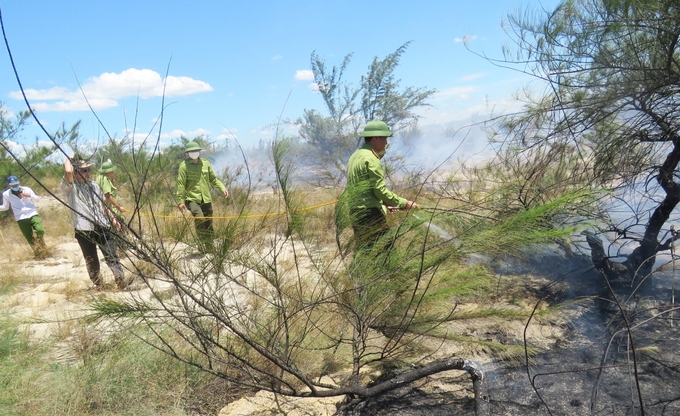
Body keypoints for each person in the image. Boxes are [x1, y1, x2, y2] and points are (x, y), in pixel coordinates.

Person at [345, 120, 418, 249]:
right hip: (370, 214)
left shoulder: (355, 156)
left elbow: (363, 188)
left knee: (365, 251)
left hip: (355, 213)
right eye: (384, 138)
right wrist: (404, 203)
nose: (386, 142)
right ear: (375, 138)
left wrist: (384, 204)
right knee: (385, 253)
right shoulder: (372, 159)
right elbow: (379, 190)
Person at [61, 157, 131, 290]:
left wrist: (113, 218)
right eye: (83, 170)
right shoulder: (70, 187)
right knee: (91, 259)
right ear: (76, 172)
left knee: (111, 255)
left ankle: (120, 280)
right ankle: (99, 284)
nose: (87, 173)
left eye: (88, 170)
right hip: (84, 229)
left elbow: (102, 205)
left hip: (102, 225)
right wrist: (69, 157)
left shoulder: (94, 185)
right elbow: (68, 172)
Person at [176, 141, 229, 253]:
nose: (194, 153)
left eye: (196, 150)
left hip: (206, 198)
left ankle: (210, 247)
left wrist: (222, 188)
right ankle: (201, 244)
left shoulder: (205, 163)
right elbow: (181, 184)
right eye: (191, 151)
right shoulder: (184, 166)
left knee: (209, 222)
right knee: (199, 218)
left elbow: (213, 179)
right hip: (191, 199)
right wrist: (180, 201)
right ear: (188, 153)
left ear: (199, 151)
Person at [0, 175, 47, 257]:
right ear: (9, 185)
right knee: (29, 237)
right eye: (13, 185)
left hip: (32, 213)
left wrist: (28, 195)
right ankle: (38, 254)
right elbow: (5, 207)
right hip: (20, 217)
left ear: (19, 183)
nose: (15, 186)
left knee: (39, 230)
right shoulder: (6, 194)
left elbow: (37, 199)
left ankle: (41, 244)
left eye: (16, 184)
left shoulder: (27, 189)